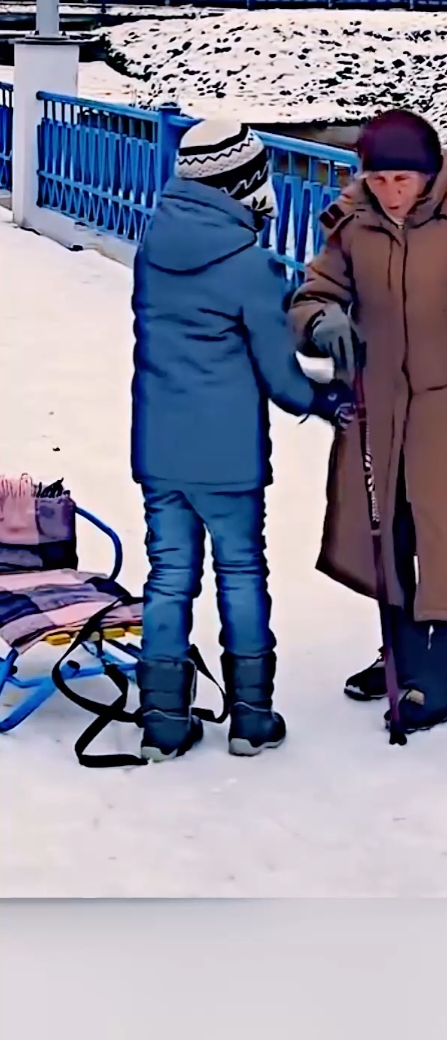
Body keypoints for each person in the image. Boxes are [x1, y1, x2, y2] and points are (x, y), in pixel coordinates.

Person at [289, 109, 447, 735]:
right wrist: (321, 320)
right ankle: (400, 652)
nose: (393, 193)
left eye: (405, 180)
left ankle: (443, 670)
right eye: (381, 179)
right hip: (381, 403)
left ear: (431, 174)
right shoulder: (353, 222)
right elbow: (315, 291)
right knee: (387, 529)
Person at [131, 119, 353, 763]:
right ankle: (252, 720)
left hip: (160, 447)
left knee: (169, 580)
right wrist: (323, 398)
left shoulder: (152, 245)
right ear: (243, 183)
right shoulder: (247, 266)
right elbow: (281, 377)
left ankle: (163, 723)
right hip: (226, 457)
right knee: (240, 575)